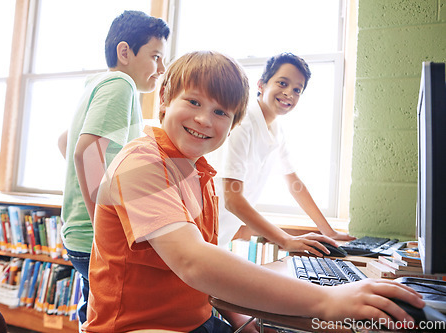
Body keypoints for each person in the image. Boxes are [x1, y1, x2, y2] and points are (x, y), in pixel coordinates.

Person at [82, 51, 424, 333]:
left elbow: (206, 270)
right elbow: (192, 262)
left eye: (220, 112)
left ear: (231, 125)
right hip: (137, 327)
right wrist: (326, 300)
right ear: (164, 102)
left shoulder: (199, 173)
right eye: (193, 102)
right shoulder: (141, 162)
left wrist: (241, 318)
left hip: (198, 319)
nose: (204, 119)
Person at [58, 10, 169, 327]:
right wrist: (102, 223)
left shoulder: (95, 83)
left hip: (77, 235)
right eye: (155, 56)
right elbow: (87, 150)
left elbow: (65, 142)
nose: (161, 69)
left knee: (93, 314)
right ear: (125, 52)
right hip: (93, 234)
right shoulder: (121, 83)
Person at [213, 52, 356, 254]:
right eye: (282, 83)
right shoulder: (243, 123)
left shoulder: (276, 130)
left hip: (218, 238)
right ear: (261, 85)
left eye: (297, 89)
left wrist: (328, 232)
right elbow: (232, 200)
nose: (289, 93)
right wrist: (287, 240)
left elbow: (294, 184)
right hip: (200, 232)